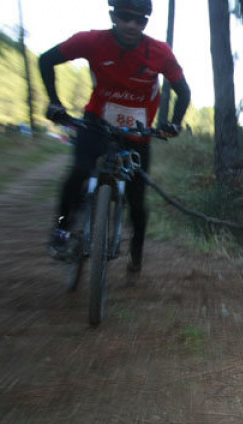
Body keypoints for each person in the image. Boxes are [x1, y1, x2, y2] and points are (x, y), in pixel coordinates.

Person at [40, 0, 190, 273]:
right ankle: (61, 228)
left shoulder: (159, 52)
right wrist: (54, 102)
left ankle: (136, 250)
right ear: (113, 16)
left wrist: (175, 124)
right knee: (78, 172)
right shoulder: (92, 41)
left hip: (137, 133)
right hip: (96, 122)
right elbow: (46, 60)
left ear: (146, 23)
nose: (132, 24)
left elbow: (184, 91)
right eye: (125, 17)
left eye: (140, 20)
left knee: (136, 199)